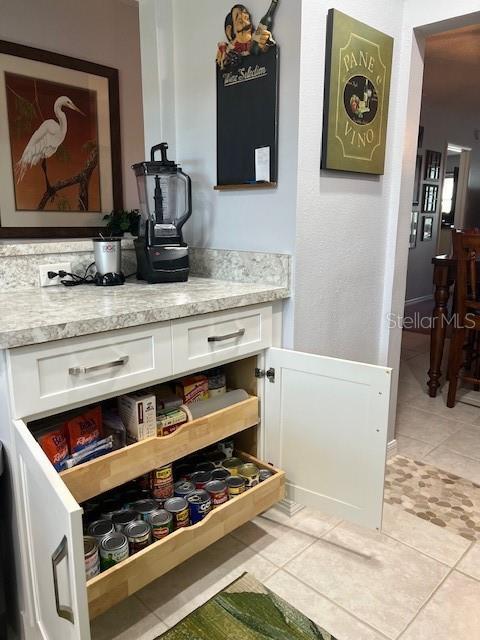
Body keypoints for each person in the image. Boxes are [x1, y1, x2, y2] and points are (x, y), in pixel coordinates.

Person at [216, 4, 273, 70]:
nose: (242, 16)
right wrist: (223, 51)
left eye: (245, 13)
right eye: (237, 16)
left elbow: (266, 48)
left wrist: (267, 42)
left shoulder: (257, 38)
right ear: (229, 30)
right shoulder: (230, 50)